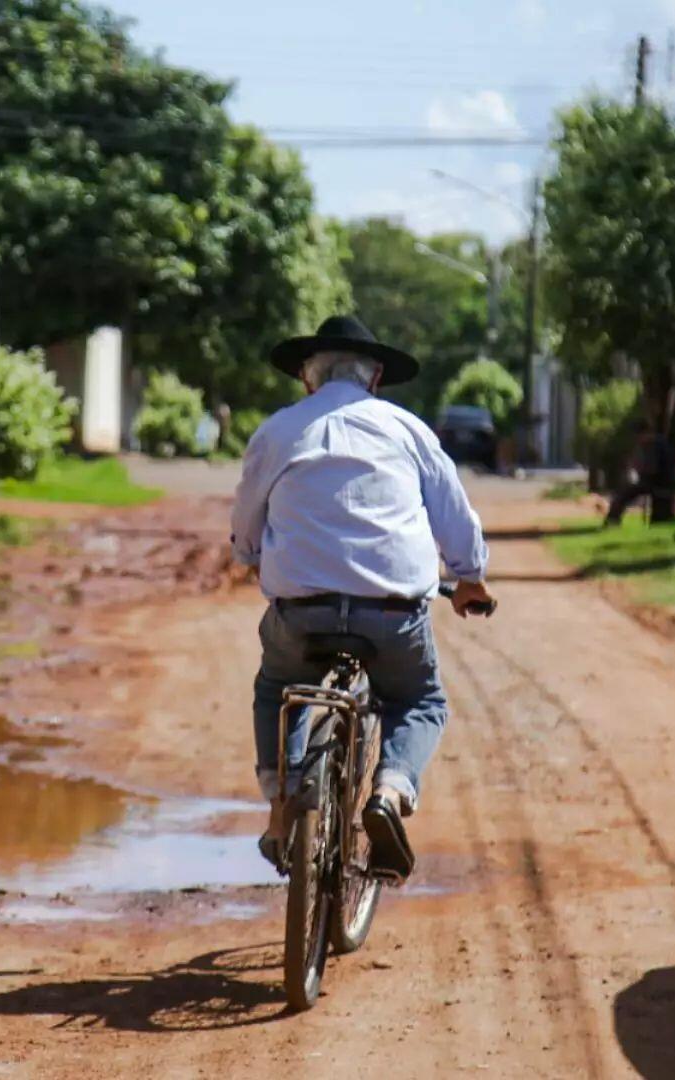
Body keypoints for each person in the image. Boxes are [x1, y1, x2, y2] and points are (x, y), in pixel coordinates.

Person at [230, 314, 492, 879]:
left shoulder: (278, 431)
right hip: (392, 613)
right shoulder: (408, 430)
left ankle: (281, 806)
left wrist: (251, 555)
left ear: (307, 378)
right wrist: (469, 576)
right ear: (374, 378)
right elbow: (454, 516)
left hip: (301, 611)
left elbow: (246, 517)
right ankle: (391, 791)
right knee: (421, 699)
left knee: (279, 687)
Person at [604, 419, 675, 526]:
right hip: (655, 480)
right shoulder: (653, 443)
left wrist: (638, 472)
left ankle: (612, 520)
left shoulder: (655, 445)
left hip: (658, 481)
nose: (638, 440)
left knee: (623, 494)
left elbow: (652, 469)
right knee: (623, 491)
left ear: (645, 433)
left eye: (638, 436)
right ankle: (612, 520)